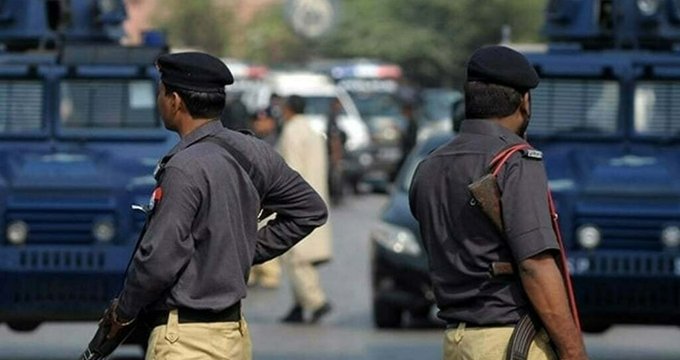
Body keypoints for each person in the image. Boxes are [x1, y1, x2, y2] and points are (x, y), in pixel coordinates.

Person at [102, 52, 328, 359]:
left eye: (161, 92)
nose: (160, 100)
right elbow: (310, 209)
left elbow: (158, 258)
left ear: (175, 101)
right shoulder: (253, 152)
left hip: (184, 340)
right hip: (232, 337)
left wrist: (122, 313)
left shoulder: (183, 167)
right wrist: (241, 249)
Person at [408, 45, 587, 360]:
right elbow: (535, 265)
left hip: (457, 341)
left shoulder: (429, 166)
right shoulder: (515, 161)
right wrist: (574, 352)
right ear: (524, 101)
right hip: (509, 343)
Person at [278, 95, 333, 324]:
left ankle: (316, 302)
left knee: (296, 257)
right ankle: (299, 305)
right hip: (315, 197)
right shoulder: (311, 129)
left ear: (288, 109)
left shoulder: (291, 131)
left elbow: (290, 169)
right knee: (301, 256)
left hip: (296, 202)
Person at [247, 106, 282, 289]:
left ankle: (270, 274)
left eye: (264, 120)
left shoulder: (278, 142)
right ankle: (251, 273)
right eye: (257, 121)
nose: (260, 124)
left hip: (269, 195)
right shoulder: (249, 141)